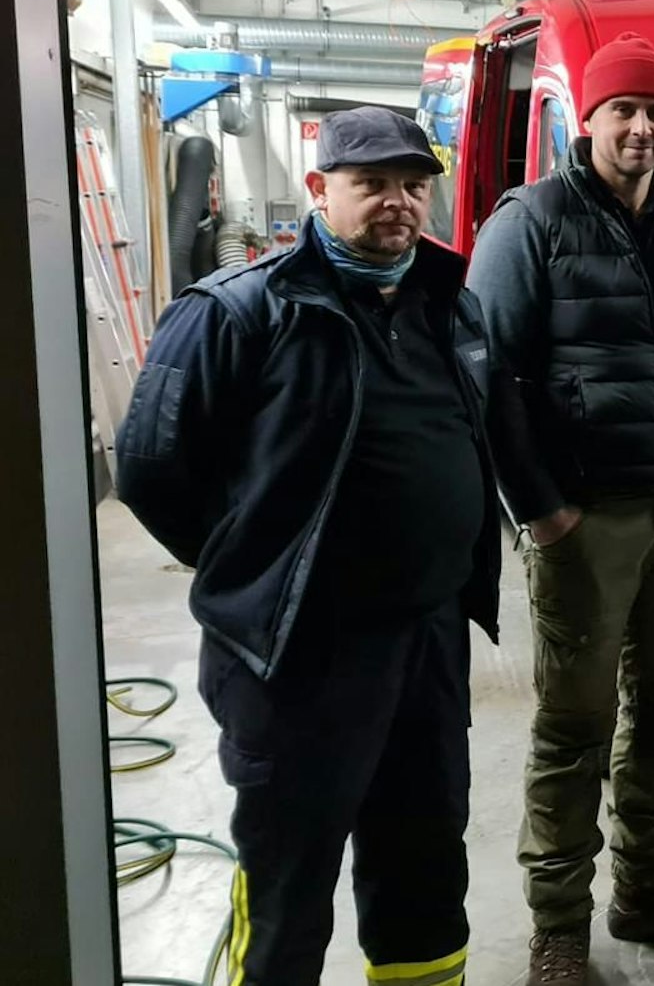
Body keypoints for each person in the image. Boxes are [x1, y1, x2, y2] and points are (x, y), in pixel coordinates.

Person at [117, 107, 499, 986]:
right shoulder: (236, 312)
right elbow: (149, 469)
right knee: (290, 881)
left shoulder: (450, 300)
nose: (398, 203)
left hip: (426, 641)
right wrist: (256, 561)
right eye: (372, 184)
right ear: (321, 191)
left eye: (412, 184)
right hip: (297, 654)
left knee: (425, 865)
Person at [465, 32, 654, 982]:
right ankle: (558, 929)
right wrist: (539, 507)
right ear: (587, 118)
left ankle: (647, 890)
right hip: (586, 517)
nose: (641, 126)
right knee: (574, 727)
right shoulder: (531, 220)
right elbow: (489, 373)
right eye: (623, 109)